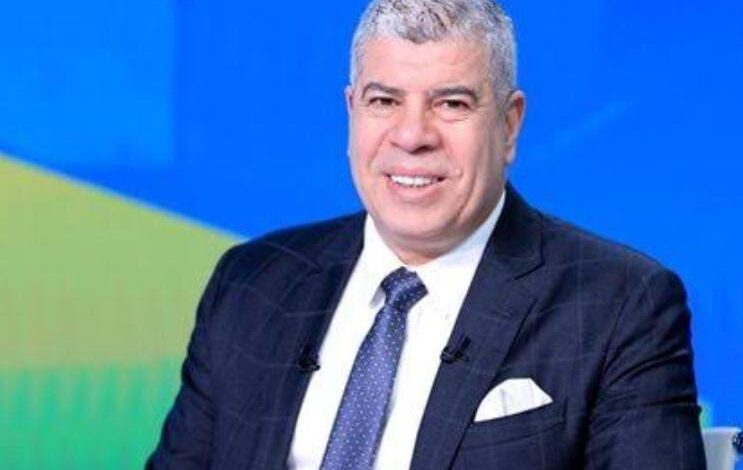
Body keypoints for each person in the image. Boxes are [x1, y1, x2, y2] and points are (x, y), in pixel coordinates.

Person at [148, 1, 706, 468]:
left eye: (451, 103)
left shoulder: (620, 305)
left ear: (509, 124)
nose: (412, 135)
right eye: (384, 101)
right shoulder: (252, 283)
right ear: (351, 111)